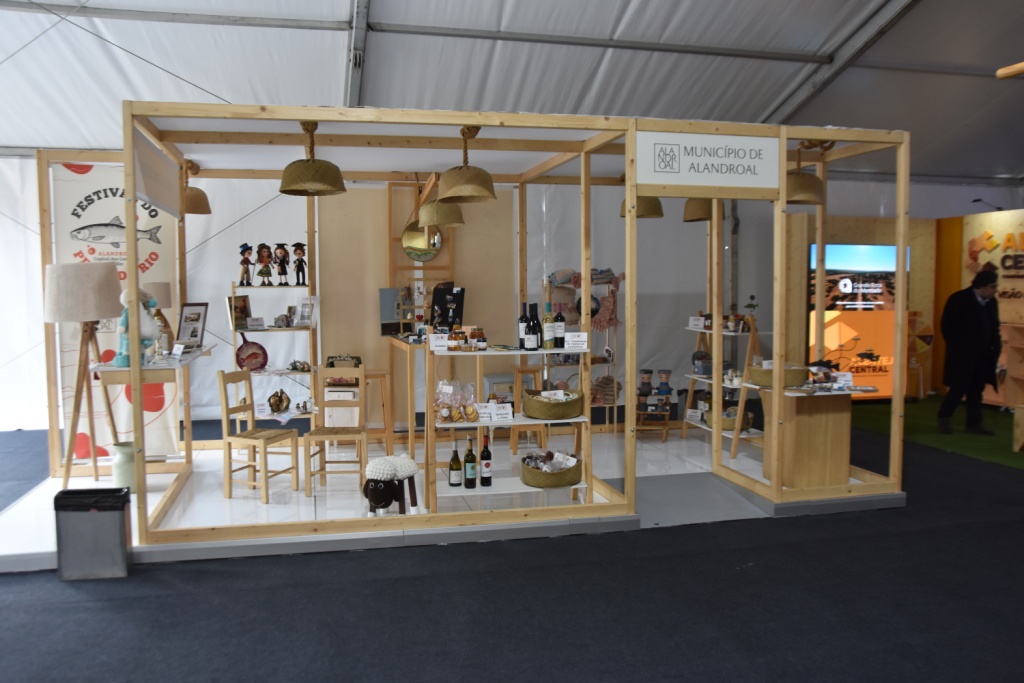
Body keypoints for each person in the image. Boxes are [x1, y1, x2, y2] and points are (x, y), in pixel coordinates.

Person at [938, 269, 1001, 435]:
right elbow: (947, 327)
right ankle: (944, 416)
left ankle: (974, 424)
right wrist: (958, 348)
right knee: (958, 388)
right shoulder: (958, 299)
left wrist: (996, 348)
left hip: (983, 355)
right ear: (982, 286)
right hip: (962, 356)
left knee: (976, 391)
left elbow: (994, 328)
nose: (995, 290)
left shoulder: (992, 303)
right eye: (993, 286)